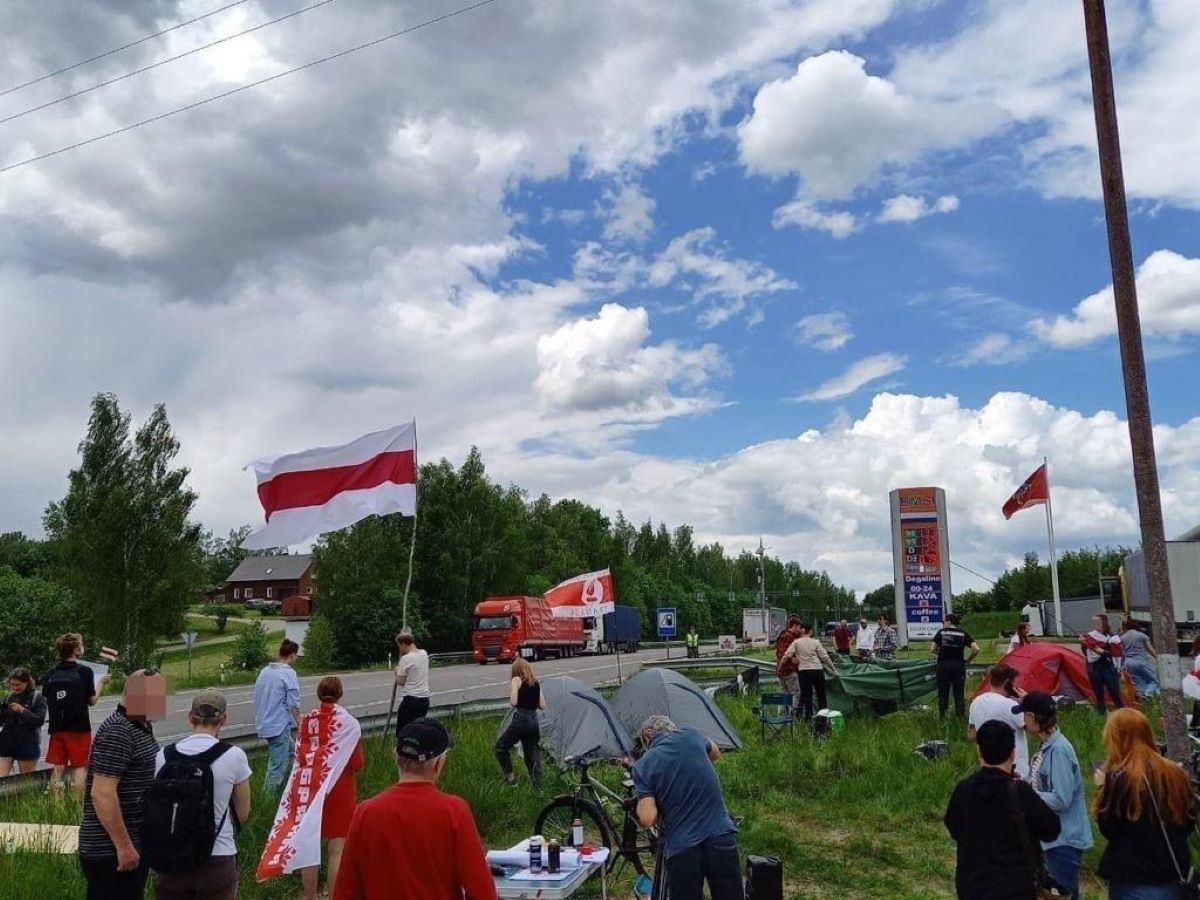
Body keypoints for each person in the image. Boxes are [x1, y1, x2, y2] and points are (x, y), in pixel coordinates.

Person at [332, 718, 495, 900]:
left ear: (396, 757)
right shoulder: (454, 811)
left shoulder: (365, 812)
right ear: (438, 763)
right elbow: (482, 891)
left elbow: (345, 891)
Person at [151, 689, 252, 900]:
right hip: (217, 856)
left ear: (190, 716)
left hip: (171, 856)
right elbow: (243, 812)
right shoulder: (234, 756)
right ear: (223, 719)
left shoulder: (163, 755)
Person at [944, 719, 1060, 900]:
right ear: (1013, 753)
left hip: (973, 886)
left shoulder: (963, 789)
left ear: (979, 751)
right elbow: (1052, 829)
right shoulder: (1020, 792)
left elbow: (953, 826)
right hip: (1015, 887)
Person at [79, 668, 167, 900]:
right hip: (110, 851)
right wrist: (124, 846)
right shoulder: (119, 730)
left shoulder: (139, 726)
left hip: (132, 844)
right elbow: (102, 793)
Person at [633, 716, 741, 900]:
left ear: (645, 740)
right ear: (673, 729)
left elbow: (648, 818)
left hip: (683, 849)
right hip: (721, 836)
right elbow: (715, 753)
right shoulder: (691, 734)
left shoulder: (644, 764)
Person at [1095, 708, 1197, 899]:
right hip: (1173, 874)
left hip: (1134, 877)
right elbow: (1189, 823)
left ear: (1117, 738)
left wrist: (1102, 788)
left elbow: (1109, 829)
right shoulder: (1174, 772)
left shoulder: (1119, 778)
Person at [1016, 691, 1093, 900]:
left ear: (1033, 718)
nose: (1022, 720)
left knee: (1061, 895)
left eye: (1024, 715)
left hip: (1064, 841)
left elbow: (1061, 797)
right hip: (1052, 840)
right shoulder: (1046, 747)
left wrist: (1028, 797)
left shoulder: (1059, 751)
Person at [300, 677, 364, 900]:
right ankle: (333, 894)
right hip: (340, 789)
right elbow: (356, 763)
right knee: (336, 850)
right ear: (340, 694)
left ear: (318, 693)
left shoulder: (307, 720)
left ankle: (309, 896)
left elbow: (300, 756)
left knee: (309, 847)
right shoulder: (349, 724)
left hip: (311, 787)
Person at [43, 632, 110, 797]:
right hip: (79, 728)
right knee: (80, 766)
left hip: (57, 727)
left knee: (58, 767)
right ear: (75, 650)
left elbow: (47, 698)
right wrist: (101, 683)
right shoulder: (84, 671)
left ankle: (56, 804)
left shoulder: (50, 673)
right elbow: (92, 700)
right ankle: (77, 803)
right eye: (81, 645)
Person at [253, 639, 301, 792]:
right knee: (276, 767)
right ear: (292, 655)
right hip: (278, 725)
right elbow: (293, 703)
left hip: (264, 723)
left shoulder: (265, 671)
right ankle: (268, 798)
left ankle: (288, 787)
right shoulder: (288, 673)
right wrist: (299, 723)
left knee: (292, 753)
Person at [968, 665, 1030, 779]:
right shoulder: (1011, 705)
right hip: (1015, 768)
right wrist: (1027, 703)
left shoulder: (976, 702)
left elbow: (971, 734)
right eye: (1014, 684)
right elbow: (1033, 726)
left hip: (987, 765)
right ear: (1007, 683)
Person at [494, 658, 545, 788]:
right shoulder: (536, 683)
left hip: (521, 719)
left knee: (500, 747)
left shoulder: (516, 681)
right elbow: (542, 705)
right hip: (534, 721)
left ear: (515, 671)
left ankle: (511, 780)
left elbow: (513, 702)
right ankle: (539, 787)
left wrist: (514, 686)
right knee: (532, 754)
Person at [780, 622, 837, 721]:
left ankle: (808, 720)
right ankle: (823, 720)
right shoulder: (816, 642)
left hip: (804, 671)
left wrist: (780, 666)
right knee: (821, 695)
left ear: (802, 631)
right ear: (810, 631)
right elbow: (825, 658)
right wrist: (834, 670)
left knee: (807, 696)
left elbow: (787, 655)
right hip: (817, 670)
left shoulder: (796, 642)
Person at [0, 666, 48, 776]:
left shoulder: (37, 697)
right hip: (7, 741)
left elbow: (39, 720)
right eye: (12, 685)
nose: (14, 688)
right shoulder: (8, 696)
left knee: (26, 779)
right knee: (2, 778)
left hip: (27, 742)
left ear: (26, 682)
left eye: (18, 685)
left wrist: (22, 710)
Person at [933, 614, 980, 719]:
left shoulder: (941, 632)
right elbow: (976, 649)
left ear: (949, 621)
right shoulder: (963, 633)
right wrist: (969, 659)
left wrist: (940, 654)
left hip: (943, 665)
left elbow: (932, 649)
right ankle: (960, 716)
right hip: (958, 665)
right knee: (959, 692)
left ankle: (943, 717)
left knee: (943, 692)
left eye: (944, 621)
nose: (943, 624)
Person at [1082, 613, 1124, 715]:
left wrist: (1103, 652)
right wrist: (1086, 646)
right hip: (1094, 667)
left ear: (1104, 622)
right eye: (1093, 622)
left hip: (1109, 666)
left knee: (1114, 691)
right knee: (1098, 692)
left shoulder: (1113, 637)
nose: (1095, 624)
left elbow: (1117, 653)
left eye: (1097, 621)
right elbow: (1085, 653)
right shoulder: (1089, 636)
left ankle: (1122, 712)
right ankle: (1101, 713)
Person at [394, 632, 431, 736]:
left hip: (411, 700)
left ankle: (402, 751)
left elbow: (400, 681)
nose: (400, 650)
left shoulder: (406, 659)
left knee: (403, 732)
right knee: (418, 730)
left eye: (399, 646)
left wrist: (396, 672)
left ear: (404, 644)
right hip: (424, 699)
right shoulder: (424, 653)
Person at [1119, 619, 1159, 700]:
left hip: (1129, 662)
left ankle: (1142, 699)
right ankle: (1148, 693)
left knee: (1139, 682)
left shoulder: (1122, 638)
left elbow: (1122, 653)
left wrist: (1121, 667)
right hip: (1141, 660)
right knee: (1153, 681)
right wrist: (1158, 658)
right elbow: (1150, 649)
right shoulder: (1142, 636)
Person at [774, 617, 802, 706]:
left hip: (781, 670)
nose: (799, 630)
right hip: (788, 670)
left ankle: (783, 716)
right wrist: (793, 659)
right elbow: (784, 653)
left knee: (784, 693)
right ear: (794, 625)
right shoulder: (788, 636)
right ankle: (793, 715)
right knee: (795, 693)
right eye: (798, 627)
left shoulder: (784, 634)